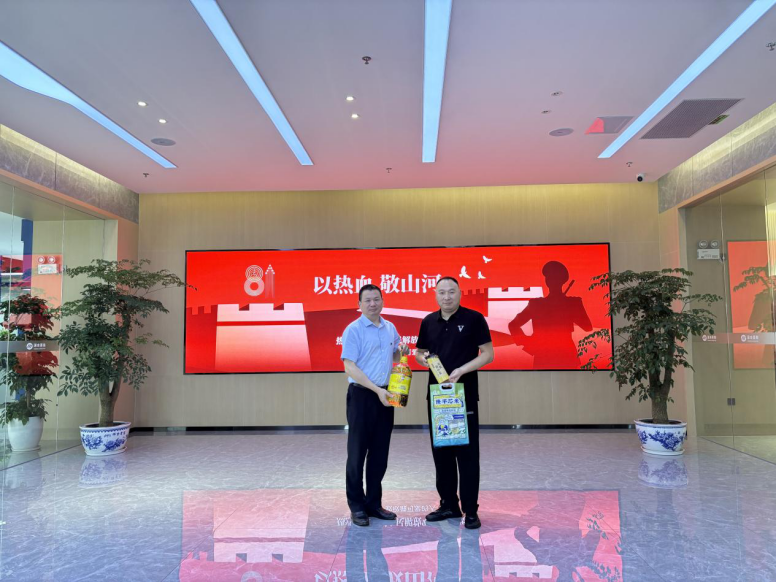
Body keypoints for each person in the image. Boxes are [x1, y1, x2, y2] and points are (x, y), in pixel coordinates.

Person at [415, 277, 494, 529]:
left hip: (463, 396)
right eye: (442, 292)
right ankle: (448, 504)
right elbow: (419, 353)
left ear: (460, 293)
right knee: (442, 454)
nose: (447, 297)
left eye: (451, 292)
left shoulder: (474, 319)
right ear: (435, 295)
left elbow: (488, 354)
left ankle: (470, 510)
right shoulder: (428, 321)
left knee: (467, 455)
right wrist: (423, 360)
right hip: (438, 398)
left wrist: (462, 370)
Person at [341, 284, 408, 527]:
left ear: (382, 301)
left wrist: (401, 352)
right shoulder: (353, 330)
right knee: (357, 453)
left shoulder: (390, 328)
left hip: (386, 394)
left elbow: (394, 357)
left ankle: (374, 503)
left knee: (380, 453)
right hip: (362, 395)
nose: (372, 304)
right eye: (367, 300)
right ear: (359, 304)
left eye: (376, 299)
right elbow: (350, 366)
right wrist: (377, 390)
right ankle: (357, 506)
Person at [508, 261, 592, 369]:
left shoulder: (571, 303)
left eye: (553, 278)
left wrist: (568, 310)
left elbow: (588, 327)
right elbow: (513, 325)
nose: (551, 281)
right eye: (551, 278)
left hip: (558, 355)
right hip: (552, 355)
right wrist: (529, 342)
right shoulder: (537, 304)